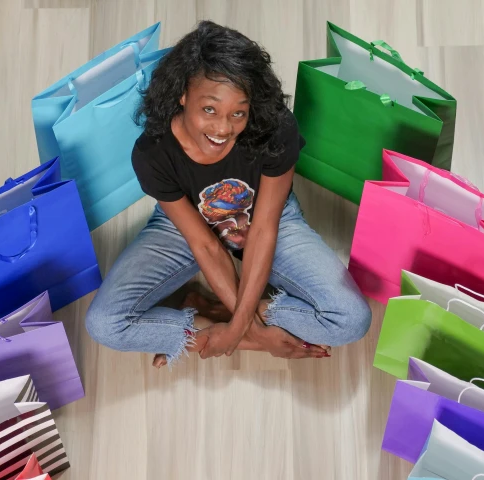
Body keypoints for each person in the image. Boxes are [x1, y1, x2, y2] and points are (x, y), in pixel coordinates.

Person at [85, 20, 371, 368]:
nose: (223, 128)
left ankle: (214, 312)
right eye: (209, 109)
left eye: (238, 113)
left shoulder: (275, 126)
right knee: (104, 324)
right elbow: (205, 245)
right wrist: (255, 337)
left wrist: (237, 324)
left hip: (268, 217)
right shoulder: (152, 153)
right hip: (185, 229)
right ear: (183, 95)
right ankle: (242, 326)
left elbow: (265, 227)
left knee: (351, 319)